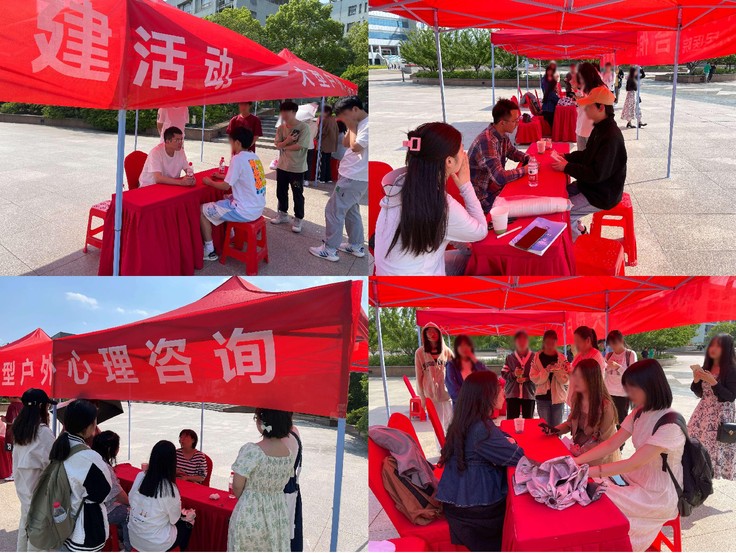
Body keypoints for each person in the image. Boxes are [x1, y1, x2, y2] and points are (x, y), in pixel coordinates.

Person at [574, 359, 685, 551]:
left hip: (658, 493)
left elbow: (633, 463)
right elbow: (612, 443)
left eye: (632, 388)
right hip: (636, 478)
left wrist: (585, 471)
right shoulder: (640, 412)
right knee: (591, 490)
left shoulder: (670, 423)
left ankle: (609, 544)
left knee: (597, 496)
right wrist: (577, 461)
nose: (628, 394)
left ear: (649, 386)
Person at [374, 122, 487, 276]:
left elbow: (439, 226)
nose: (464, 153)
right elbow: (480, 232)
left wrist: (461, 242)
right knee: (476, 262)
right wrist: (466, 185)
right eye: (462, 149)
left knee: (466, 254)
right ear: (449, 161)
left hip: (387, 279)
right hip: (419, 285)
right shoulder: (441, 204)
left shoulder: (398, 185)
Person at [436, 371, 524, 551]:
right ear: (487, 396)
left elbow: (499, 437)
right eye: (499, 389)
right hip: (475, 511)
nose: (504, 393)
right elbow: (517, 457)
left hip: (458, 499)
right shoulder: (481, 430)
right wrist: (510, 442)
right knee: (520, 509)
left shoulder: (467, 420)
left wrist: (505, 441)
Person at [551, 85, 627, 239]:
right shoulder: (600, 128)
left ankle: (578, 244)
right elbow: (587, 154)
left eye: (588, 107)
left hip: (601, 193)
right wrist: (567, 157)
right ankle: (580, 229)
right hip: (589, 186)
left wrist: (567, 167)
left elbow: (596, 174)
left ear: (601, 107)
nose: (585, 110)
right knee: (557, 194)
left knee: (564, 212)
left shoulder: (611, 136)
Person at [309, 96, 369, 262]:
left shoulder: (367, 125)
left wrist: (352, 126)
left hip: (353, 177)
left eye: (345, 116)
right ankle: (355, 245)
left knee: (333, 211)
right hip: (352, 175)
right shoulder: (359, 124)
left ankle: (330, 249)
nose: (343, 120)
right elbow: (346, 143)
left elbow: (356, 147)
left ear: (355, 109)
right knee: (351, 210)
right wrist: (351, 126)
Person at [48, 399, 112, 552]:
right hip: (84, 530)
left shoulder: (59, 446)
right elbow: (103, 493)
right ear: (89, 426)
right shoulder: (89, 458)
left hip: (61, 521)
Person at [228, 408, 294, 552]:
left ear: (262, 422)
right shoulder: (288, 454)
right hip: (277, 512)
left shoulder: (252, 450)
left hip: (251, 511)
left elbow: (237, 485)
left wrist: (249, 499)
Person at [200, 127, 266, 261]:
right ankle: (230, 234)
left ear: (237, 142)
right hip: (258, 208)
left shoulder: (237, 159)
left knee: (202, 209)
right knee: (225, 198)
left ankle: (209, 250)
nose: (230, 144)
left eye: (230, 141)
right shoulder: (254, 157)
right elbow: (241, 176)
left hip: (245, 211)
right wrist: (221, 176)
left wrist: (209, 182)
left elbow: (226, 186)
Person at [11, 389, 56, 552]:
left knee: (24, 531)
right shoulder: (43, 433)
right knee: (38, 542)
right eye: (47, 406)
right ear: (42, 406)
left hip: (24, 492)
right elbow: (54, 464)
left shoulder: (19, 428)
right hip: (40, 498)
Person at [468, 99, 530, 213]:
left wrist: (528, 158)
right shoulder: (486, 141)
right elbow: (500, 177)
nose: (518, 123)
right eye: (515, 120)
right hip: (483, 197)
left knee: (527, 193)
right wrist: (525, 170)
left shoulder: (502, 135)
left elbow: (512, 152)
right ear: (502, 123)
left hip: (494, 188)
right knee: (524, 206)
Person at [688, 333, 736, 480]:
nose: (713, 348)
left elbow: (730, 396)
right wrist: (696, 380)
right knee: (695, 443)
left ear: (726, 348)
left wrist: (713, 382)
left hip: (721, 414)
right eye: (712, 345)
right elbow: (699, 393)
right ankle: (699, 475)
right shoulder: (706, 367)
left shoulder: (732, 369)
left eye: (718, 345)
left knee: (714, 448)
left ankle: (706, 480)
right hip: (703, 412)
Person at [129, 440, 191, 552]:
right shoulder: (169, 489)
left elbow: (130, 498)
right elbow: (174, 519)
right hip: (156, 544)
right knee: (188, 524)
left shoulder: (140, 476)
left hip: (134, 538)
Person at [555, 358, 620, 465]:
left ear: (592, 379)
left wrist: (583, 451)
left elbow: (606, 442)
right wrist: (554, 430)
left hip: (598, 460)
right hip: (577, 452)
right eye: (575, 376)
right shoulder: (576, 398)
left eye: (580, 377)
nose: (575, 380)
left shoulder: (605, 406)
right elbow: (570, 423)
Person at [272, 101, 311, 234]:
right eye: (282, 112)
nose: (283, 115)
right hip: (282, 166)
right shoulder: (281, 128)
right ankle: (283, 214)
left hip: (297, 168)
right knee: (281, 191)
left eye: (286, 112)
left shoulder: (304, 127)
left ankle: (298, 218)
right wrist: (287, 141)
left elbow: (300, 146)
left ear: (294, 112)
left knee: (297, 193)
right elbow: (277, 144)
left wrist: (283, 145)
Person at [92, 431, 131, 552]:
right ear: (111, 449)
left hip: (92, 507)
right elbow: (120, 495)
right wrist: (133, 504)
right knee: (130, 514)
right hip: (100, 511)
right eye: (117, 446)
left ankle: (118, 538)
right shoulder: (105, 467)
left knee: (123, 508)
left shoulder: (92, 459)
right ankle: (128, 548)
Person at [415, 322, 454, 429]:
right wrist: (422, 397)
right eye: (429, 331)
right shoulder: (419, 353)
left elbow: (456, 372)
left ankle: (451, 440)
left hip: (447, 394)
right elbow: (419, 376)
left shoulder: (447, 352)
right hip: (431, 395)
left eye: (435, 331)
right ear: (425, 334)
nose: (432, 334)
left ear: (439, 333)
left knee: (450, 424)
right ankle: (440, 441)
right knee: (437, 426)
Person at [530, 330, 569, 427]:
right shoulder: (537, 358)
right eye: (548, 343)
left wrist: (558, 371)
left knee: (557, 429)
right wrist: (546, 371)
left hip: (558, 398)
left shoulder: (562, 358)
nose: (550, 346)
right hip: (542, 398)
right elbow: (533, 378)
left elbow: (566, 380)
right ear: (543, 342)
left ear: (556, 343)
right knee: (545, 429)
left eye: (553, 343)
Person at [604, 330, 638, 428]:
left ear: (621, 341)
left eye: (614, 343)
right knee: (608, 420)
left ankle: (621, 438)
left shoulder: (630, 354)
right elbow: (604, 374)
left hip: (622, 393)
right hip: (608, 392)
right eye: (610, 344)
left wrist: (618, 367)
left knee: (621, 421)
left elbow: (633, 374)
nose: (612, 346)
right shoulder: (608, 355)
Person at [502, 331, 537, 419]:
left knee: (528, 421)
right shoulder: (510, 357)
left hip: (529, 393)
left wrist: (526, 379)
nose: (522, 343)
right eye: (519, 341)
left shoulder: (534, 357)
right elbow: (504, 374)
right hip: (512, 393)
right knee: (511, 421)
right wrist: (514, 374)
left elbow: (537, 375)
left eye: (524, 340)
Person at [445, 335, 489, 405]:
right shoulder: (451, 366)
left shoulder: (476, 364)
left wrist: (474, 359)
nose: (464, 348)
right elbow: (453, 390)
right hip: (461, 406)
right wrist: (469, 401)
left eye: (467, 345)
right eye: (461, 345)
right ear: (456, 348)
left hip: (479, 405)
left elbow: (489, 376)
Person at [281, 418, 303, 552]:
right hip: (292, 484)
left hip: (283, 487)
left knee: (283, 530)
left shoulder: (283, 437)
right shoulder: (294, 430)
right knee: (291, 527)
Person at [575, 62, 605, 152]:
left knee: (592, 155)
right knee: (581, 154)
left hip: (592, 129)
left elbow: (600, 109)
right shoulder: (585, 87)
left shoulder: (601, 89)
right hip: (581, 126)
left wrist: (583, 101)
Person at [316, 105, 339, 183]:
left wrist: (317, 137)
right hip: (331, 144)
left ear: (327, 112)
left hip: (324, 144)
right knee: (327, 161)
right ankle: (328, 178)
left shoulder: (325, 120)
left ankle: (322, 178)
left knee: (322, 161)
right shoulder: (333, 120)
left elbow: (322, 132)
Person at [540, 63, 560, 129]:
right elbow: (557, 100)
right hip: (549, 110)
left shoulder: (546, 80)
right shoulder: (545, 81)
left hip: (546, 107)